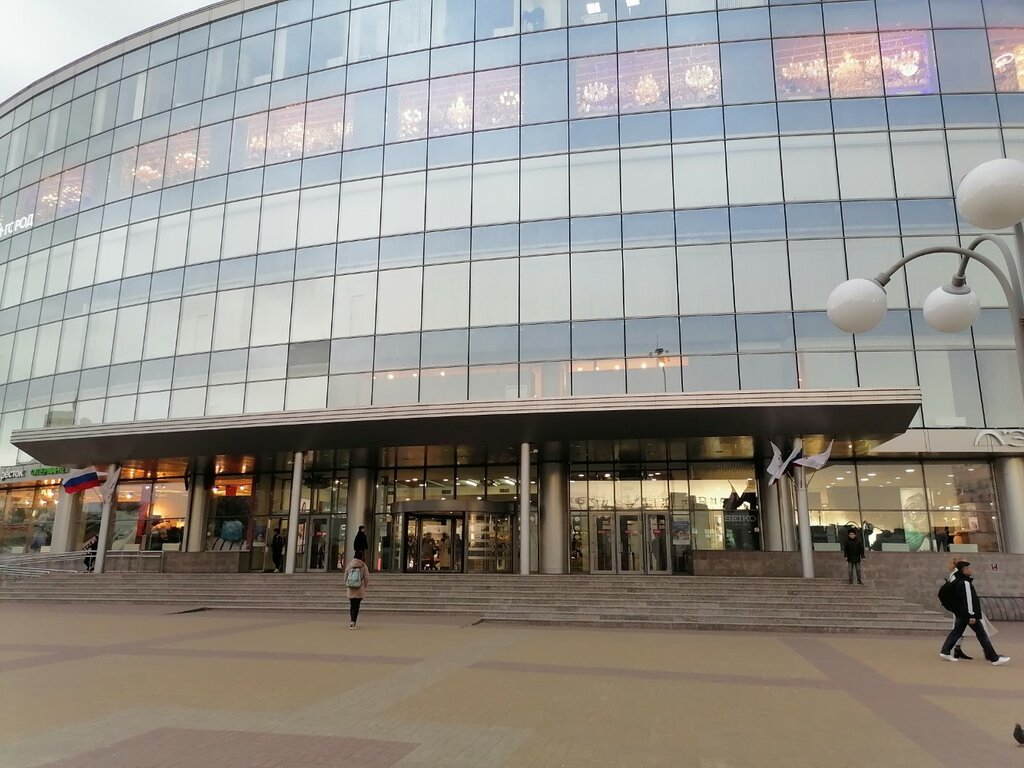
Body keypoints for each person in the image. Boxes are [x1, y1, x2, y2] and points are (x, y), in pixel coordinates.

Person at [939, 561, 1010, 665]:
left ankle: (945, 651)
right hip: (968, 614)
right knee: (982, 634)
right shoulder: (965, 582)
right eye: (969, 568)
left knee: (957, 632)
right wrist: (971, 615)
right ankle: (994, 658)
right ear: (964, 570)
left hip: (961, 613)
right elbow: (968, 600)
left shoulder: (958, 580)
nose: (971, 570)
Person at [944, 557, 971, 660]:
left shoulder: (955, 575)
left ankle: (955, 649)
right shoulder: (956, 575)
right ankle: (949, 649)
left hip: (962, 606)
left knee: (960, 628)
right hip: (962, 607)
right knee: (960, 628)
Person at [345, 550, 369, 630]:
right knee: (357, 605)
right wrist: (364, 586)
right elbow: (367, 578)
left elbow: (345, 576)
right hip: (359, 588)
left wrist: (347, 584)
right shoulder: (363, 565)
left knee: (352, 605)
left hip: (351, 588)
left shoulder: (350, 565)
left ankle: (351, 621)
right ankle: (354, 622)